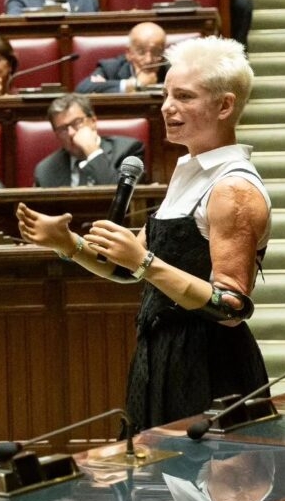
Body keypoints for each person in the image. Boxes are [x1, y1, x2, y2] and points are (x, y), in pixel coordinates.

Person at [18, 36, 270, 432]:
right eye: (167, 93)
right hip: (160, 357)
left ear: (224, 106)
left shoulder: (233, 189)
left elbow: (230, 307)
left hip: (211, 368)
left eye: (185, 97)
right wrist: (68, 244)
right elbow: (125, 269)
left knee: (208, 488)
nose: (168, 107)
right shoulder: (189, 172)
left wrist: (144, 263)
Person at [33, 93, 146, 188]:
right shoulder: (45, 170)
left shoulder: (129, 153)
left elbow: (120, 200)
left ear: (93, 121)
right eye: (63, 129)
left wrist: (93, 152)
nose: (71, 133)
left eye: (77, 122)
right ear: (56, 135)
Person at [77, 22, 169, 93]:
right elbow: (83, 89)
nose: (148, 60)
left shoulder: (171, 68)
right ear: (129, 53)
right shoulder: (110, 69)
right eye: (141, 52)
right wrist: (133, 84)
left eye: (157, 52)